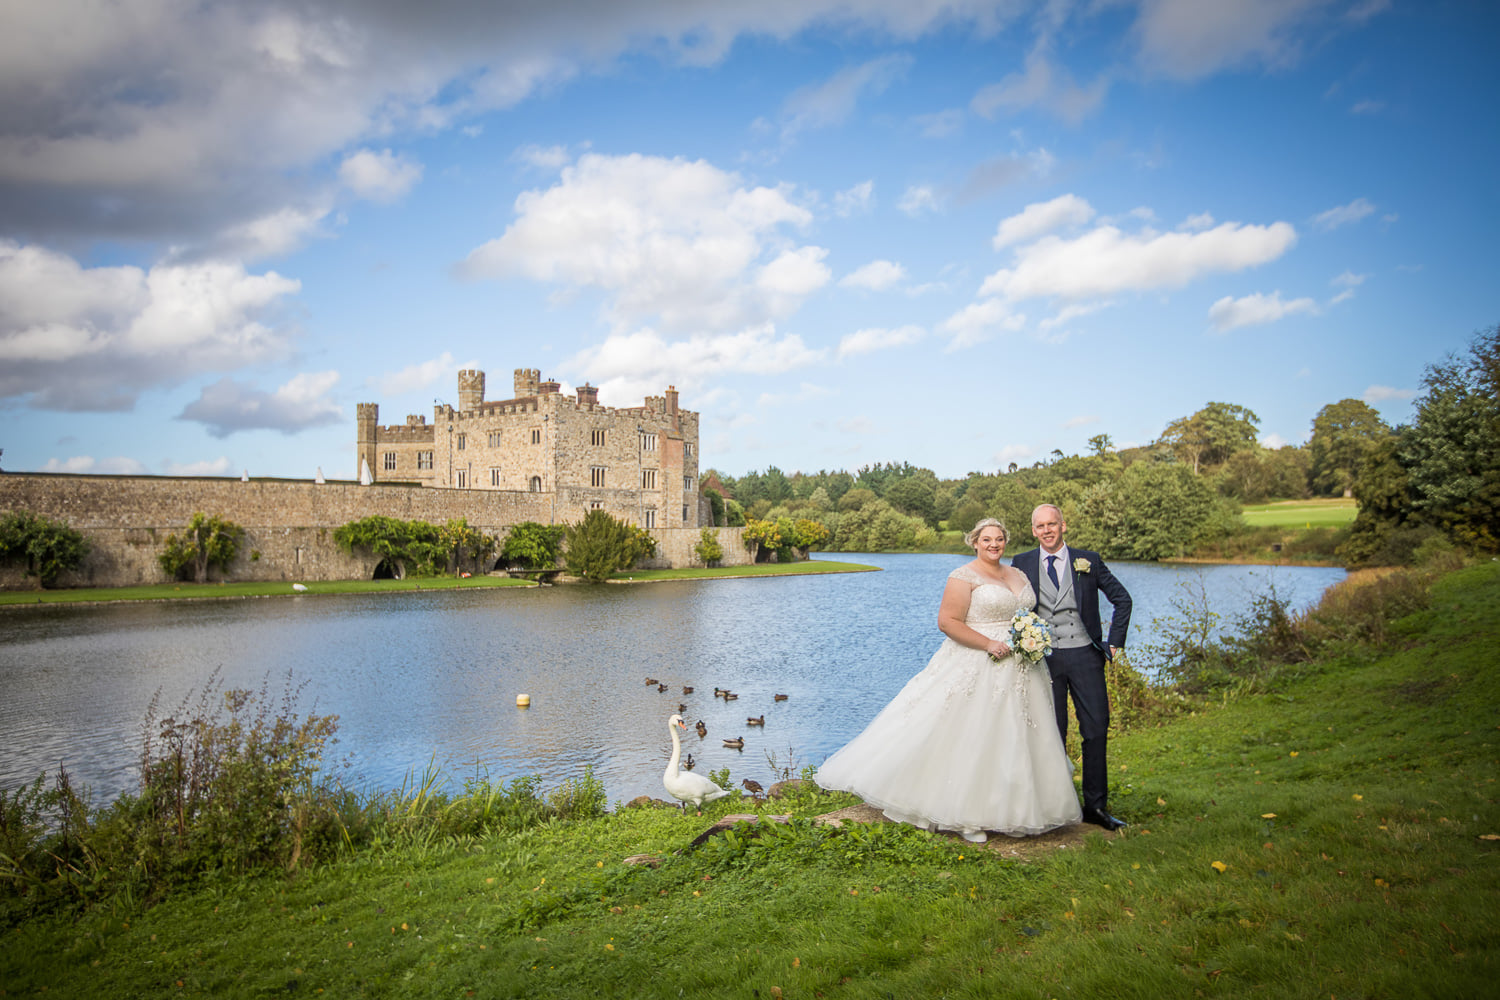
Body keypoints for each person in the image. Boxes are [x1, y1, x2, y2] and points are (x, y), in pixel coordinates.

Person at [816, 518, 1082, 842]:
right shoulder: (963, 576)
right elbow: (948, 622)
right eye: (987, 539)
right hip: (981, 660)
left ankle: (1018, 807)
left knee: (1016, 736)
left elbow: (1026, 614)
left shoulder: (1018, 574)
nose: (994, 545)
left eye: (999, 539)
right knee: (975, 733)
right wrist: (988, 644)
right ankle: (967, 817)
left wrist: (1033, 637)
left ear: (1005, 542)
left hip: (1023, 667)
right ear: (975, 542)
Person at [1011, 504, 1132, 831]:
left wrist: (1113, 643)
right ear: (1033, 530)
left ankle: (1096, 807)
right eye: (1040, 526)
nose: (1047, 530)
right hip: (1043, 660)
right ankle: (1054, 808)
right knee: (1052, 733)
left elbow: (1123, 599)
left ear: (1063, 526)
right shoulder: (1021, 563)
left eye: (1052, 524)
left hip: (1085, 656)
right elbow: (1011, 607)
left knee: (1095, 729)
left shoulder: (1088, 560)